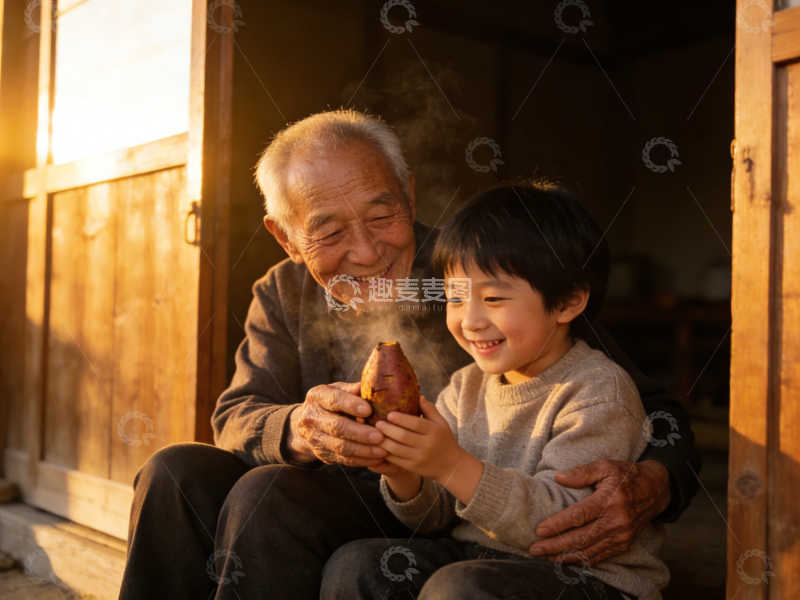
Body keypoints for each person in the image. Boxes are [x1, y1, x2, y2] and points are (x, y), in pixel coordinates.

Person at [118, 110, 699, 600]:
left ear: (409, 193)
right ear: (286, 236)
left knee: (267, 494)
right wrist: (299, 426)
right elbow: (238, 415)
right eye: (329, 231)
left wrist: (656, 481)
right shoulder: (281, 291)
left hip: (460, 506)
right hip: (392, 492)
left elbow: (647, 403)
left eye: (381, 215)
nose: (367, 252)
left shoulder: (476, 272)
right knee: (176, 470)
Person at [321, 181, 669, 600]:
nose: (470, 321)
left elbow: (567, 525)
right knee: (358, 565)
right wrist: (405, 473)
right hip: (481, 557)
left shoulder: (596, 390)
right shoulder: (465, 387)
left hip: (586, 579)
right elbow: (434, 518)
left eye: (493, 298)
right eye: (455, 298)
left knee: (460, 586)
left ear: (568, 302)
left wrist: (451, 465)